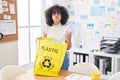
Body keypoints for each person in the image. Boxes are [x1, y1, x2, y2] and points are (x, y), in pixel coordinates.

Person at [42, 4, 72, 70]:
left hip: (62, 56)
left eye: (58, 13)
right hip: (49, 55)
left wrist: (68, 39)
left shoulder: (67, 28)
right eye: (54, 13)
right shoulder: (46, 27)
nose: (56, 15)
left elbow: (68, 47)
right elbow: (43, 44)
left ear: (62, 16)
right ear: (50, 16)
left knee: (63, 76)